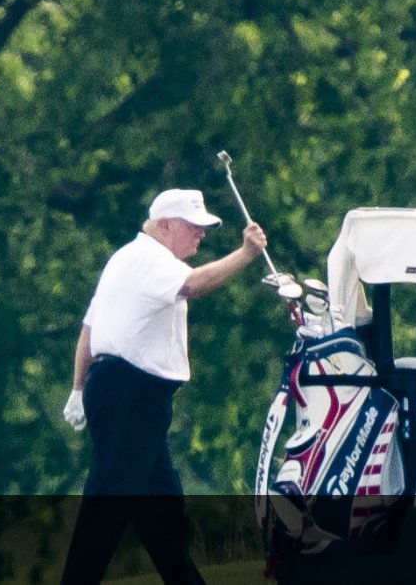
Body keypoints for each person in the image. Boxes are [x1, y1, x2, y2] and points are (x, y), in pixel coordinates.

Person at [59, 188, 267, 584]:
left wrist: (78, 388)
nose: (201, 234)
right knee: (108, 504)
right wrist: (246, 254)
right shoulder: (150, 259)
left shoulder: (126, 258)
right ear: (166, 225)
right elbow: (194, 285)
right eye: (193, 226)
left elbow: (89, 329)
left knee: (162, 515)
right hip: (130, 394)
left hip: (130, 396)